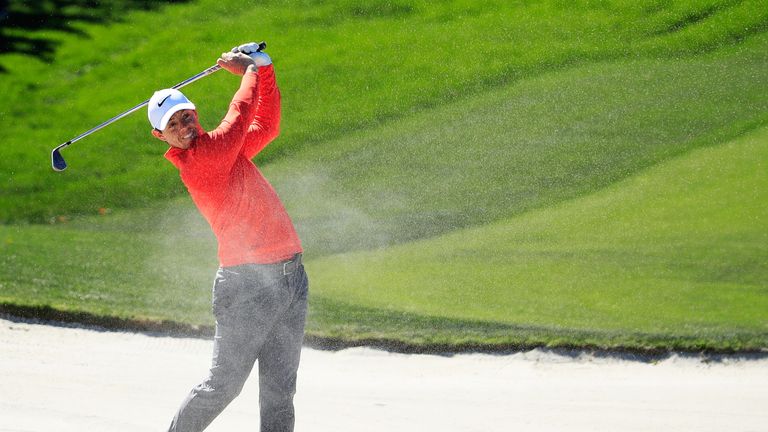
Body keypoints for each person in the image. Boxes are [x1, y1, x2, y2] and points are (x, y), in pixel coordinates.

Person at [147, 43, 308, 432]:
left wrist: (265, 68)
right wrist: (250, 69)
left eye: (186, 116)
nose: (184, 126)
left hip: (291, 278)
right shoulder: (202, 160)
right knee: (223, 386)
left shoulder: (224, 152)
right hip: (246, 286)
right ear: (160, 136)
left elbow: (265, 125)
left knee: (279, 390)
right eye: (174, 125)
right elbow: (239, 117)